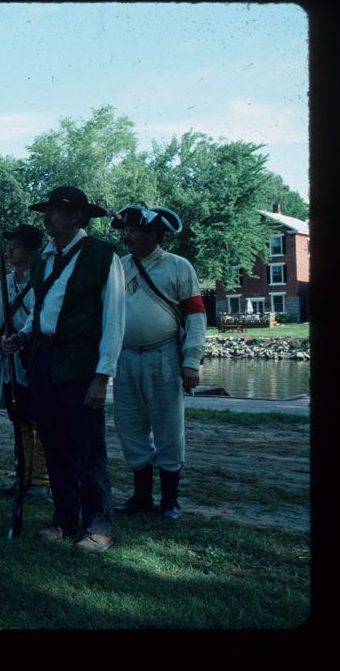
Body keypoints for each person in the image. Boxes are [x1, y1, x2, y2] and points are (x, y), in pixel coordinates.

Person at [2, 186, 124, 553]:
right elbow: (42, 309)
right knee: (54, 446)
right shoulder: (44, 258)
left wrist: (102, 376)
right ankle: (64, 520)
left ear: (77, 217)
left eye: (57, 210)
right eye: (49, 209)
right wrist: (23, 336)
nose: (49, 216)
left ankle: (98, 527)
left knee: (87, 449)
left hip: (81, 365)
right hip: (44, 362)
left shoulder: (103, 255)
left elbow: (114, 320)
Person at [110, 205, 206, 521]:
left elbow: (195, 316)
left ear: (154, 234)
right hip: (126, 358)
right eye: (127, 231)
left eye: (135, 231)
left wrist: (191, 360)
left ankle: (169, 500)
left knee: (168, 429)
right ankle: (140, 496)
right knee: (130, 428)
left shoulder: (179, 267)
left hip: (164, 356)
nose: (128, 237)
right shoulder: (119, 267)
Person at [0, 224, 51, 498]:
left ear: (31, 252)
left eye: (16, 246)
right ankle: (22, 477)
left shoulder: (45, 279)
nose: (10, 250)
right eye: (9, 246)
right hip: (12, 361)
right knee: (19, 418)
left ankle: (42, 481)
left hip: (36, 357)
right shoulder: (3, 283)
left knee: (41, 418)